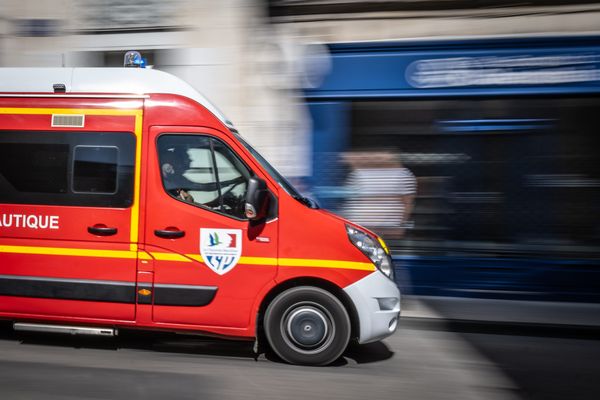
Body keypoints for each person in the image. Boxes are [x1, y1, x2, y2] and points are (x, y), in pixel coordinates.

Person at [341, 150, 416, 240]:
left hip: (388, 227)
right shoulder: (358, 174)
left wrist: (401, 224)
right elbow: (351, 202)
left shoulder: (403, 174)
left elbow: (407, 202)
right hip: (363, 227)